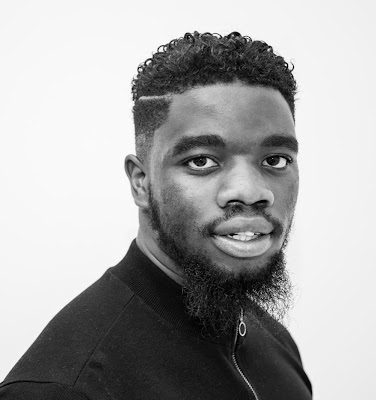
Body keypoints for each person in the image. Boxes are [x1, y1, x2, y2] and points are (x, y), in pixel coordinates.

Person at [0, 32, 312, 399]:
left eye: (275, 160)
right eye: (201, 161)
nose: (251, 192)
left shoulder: (274, 342)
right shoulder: (65, 389)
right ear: (141, 182)